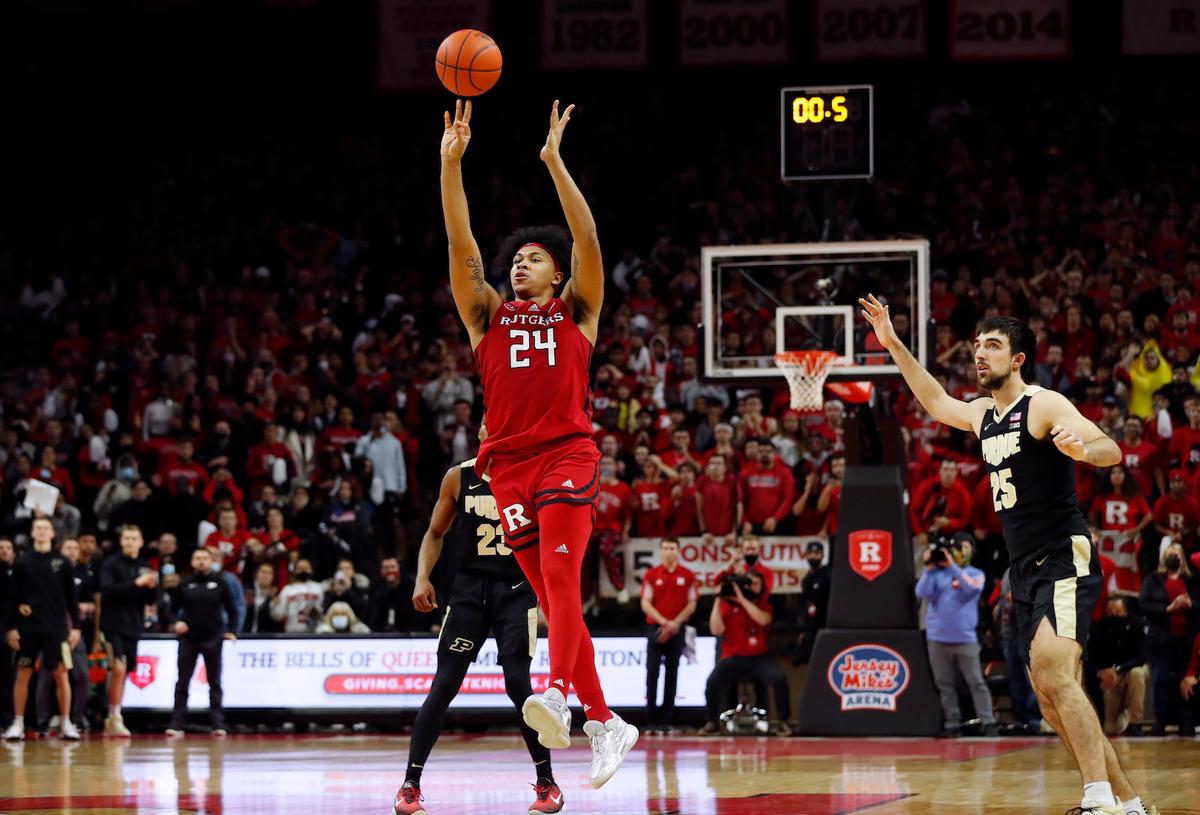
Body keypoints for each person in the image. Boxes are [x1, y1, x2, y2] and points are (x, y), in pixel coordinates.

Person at [861, 300, 1155, 815]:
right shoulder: (983, 414)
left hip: (1063, 554)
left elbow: (1110, 447)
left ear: (1017, 359)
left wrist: (1083, 451)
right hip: (1025, 567)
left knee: (1054, 672)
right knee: (1049, 692)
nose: (980, 353)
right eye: (977, 345)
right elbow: (935, 400)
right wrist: (892, 344)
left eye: (992, 346)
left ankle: (1098, 800)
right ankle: (1128, 803)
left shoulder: (1043, 404)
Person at [439, 97, 635, 788]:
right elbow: (463, 247)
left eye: (534, 258)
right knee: (555, 606)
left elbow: (587, 240)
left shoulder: (577, 312)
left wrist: (554, 163)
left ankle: (557, 692)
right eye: (516, 258)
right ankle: (607, 720)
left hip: (567, 455)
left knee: (559, 580)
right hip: (508, 471)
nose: (521, 264)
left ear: (555, 273)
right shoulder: (486, 315)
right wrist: (450, 168)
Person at [395, 453, 561, 815]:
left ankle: (547, 783)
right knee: (443, 686)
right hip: (469, 594)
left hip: (516, 593)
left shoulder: (531, 475)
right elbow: (435, 532)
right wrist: (423, 577)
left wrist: (549, 595)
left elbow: (549, 539)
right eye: (489, 424)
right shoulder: (459, 476)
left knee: (519, 685)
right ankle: (410, 785)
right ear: (483, 431)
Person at [2, 518, 81, 741]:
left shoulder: (63, 562)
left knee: (61, 674)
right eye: (38, 528)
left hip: (56, 628)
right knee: (23, 673)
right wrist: (10, 628)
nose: (42, 531)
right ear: (32, 532)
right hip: (28, 629)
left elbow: (72, 599)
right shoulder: (22, 562)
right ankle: (18, 722)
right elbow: (12, 599)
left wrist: (76, 627)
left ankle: (66, 722)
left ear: (52, 533)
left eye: (45, 528)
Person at [916, 536, 996, 736]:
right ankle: (952, 722)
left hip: (965, 638)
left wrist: (952, 567)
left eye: (965, 547)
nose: (961, 551)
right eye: (957, 548)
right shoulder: (936, 574)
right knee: (944, 684)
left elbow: (972, 588)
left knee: (976, 681)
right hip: (937, 638)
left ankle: (988, 721)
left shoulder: (976, 574)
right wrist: (929, 568)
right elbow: (920, 592)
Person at [698, 570, 792, 736]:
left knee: (778, 678)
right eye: (749, 584)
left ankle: (784, 721)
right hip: (733, 657)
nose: (752, 587)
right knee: (712, 681)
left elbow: (763, 620)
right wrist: (718, 600)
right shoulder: (728, 606)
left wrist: (743, 600)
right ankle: (711, 721)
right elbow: (716, 629)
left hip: (758, 657)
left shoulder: (764, 605)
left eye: (756, 584)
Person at [164, 547, 239, 737]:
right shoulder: (184, 583)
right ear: (192, 561)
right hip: (188, 639)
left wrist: (232, 631)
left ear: (211, 560)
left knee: (215, 682)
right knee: (182, 683)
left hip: (213, 638)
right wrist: (176, 622)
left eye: (205, 558)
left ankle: (217, 724)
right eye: (197, 558)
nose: (201, 561)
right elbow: (171, 610)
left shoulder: (220, 583)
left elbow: (233, 609)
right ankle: (177, 723)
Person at [99, 524, 158, 737]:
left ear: (141, 542)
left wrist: (151, 587)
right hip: (112, 624)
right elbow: (108, 591)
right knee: (118, 668)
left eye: (134, 538)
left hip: (133, 626)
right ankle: (115, 716)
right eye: (127, 538)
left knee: (125, 672)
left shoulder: (144, 565)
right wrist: (136, 583)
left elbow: (150, 600)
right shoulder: (111, 564)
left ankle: (113, 714)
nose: (130, 542)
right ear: (121, 540)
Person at [1138, 543, 1199, 736]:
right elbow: (1143, 604)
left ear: (1183, 558)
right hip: (1160, 639)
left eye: (1178, 554)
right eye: (1170, 554)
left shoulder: (1192, 580)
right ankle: (1160, 723)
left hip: (1185, 639)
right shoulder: (1153, 579)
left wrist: (1191, 604)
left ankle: (1186, 722)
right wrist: (1168, 608)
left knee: (1184, 679)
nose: (1174, 558)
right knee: (1160, 679)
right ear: (1164, 558)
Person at [640, 537, 697, 734]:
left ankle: (667, 720)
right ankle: (650, 721)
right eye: (665, 548)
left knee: (672, 674)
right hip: (655, 628)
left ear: (678, 551)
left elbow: (692, 603)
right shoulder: (652, 574)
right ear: (661, 551)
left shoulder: (687, 575)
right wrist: (664, 622)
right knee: (652, 673)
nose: (669, 551)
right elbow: (645, 603)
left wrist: (675, 623)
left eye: (672, 548)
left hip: (677, 629)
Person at [1088, 597, 1149, 736]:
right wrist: (1100, 673)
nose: (1115, 616)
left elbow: (1141, 657)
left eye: (1118, 612)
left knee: (1137, 673)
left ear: (1125, 611)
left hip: (1130, 668)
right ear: (1106, 613)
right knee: (1110, 729)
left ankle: (1135, 723)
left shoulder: (1137, 624)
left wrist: (1118, 668)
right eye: (1111, 613)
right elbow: (1089, 658)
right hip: (1110, 675)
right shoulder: (1098, 627)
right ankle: (1126, 713)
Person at [796, 541, 830, 664]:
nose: (814, 557)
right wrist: (803, 630)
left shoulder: (828, 575)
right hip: (811, 627)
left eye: (817, 553)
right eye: (811, 553)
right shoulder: (806, 579)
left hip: (826, 625)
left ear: (822, 556)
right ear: (805, 555)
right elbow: (803, 603)